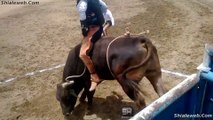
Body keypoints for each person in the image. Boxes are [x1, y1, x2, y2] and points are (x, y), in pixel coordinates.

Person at [76, 0, 107, 91]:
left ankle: (94, 76)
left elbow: (82, 13)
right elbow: (105, 7)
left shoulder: (82, 3)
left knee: (82, 54)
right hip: (99, 27)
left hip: (93, 28)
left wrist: (84, 27)